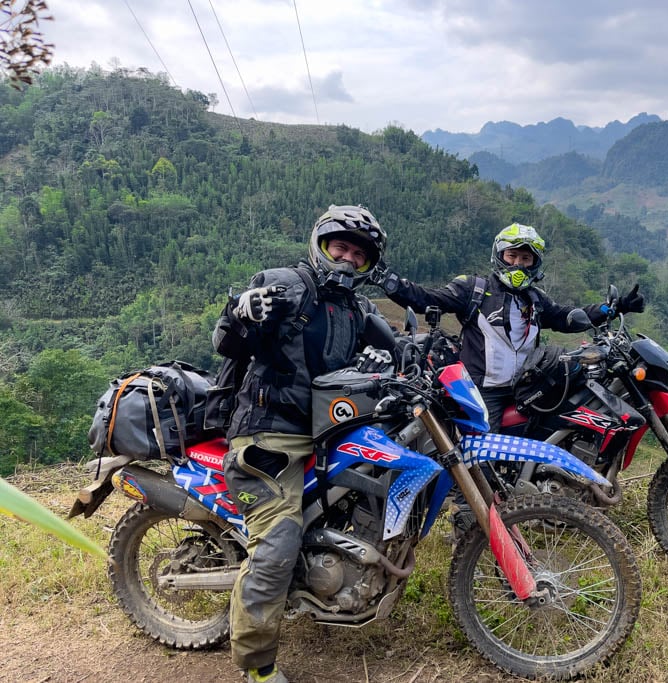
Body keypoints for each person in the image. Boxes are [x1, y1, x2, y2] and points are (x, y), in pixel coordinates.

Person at [214, 205, 390, 683]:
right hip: (268, 437)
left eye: (359, 254)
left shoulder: (355, 310)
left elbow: (397, 345)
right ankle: (257, 666)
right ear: (320, 245)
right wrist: (242, 312)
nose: (348, 259)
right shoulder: (287, 285)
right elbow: (227, 339)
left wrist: (396, 356)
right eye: (342, 247)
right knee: (277, 544)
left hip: (328, 433)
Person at [370, 222, 645, 528]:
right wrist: (389, 280)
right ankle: (469, 524)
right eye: (512, 255)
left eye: (526, 259)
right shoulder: (472, 289)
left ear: (535, 263)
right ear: (499, 255)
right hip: (481, 392)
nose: (518, 264)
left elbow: (568, 318)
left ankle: (542, 497)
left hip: (525, 388)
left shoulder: (535, 300)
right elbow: (426, 299)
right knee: (480, 461)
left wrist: (612, 308)